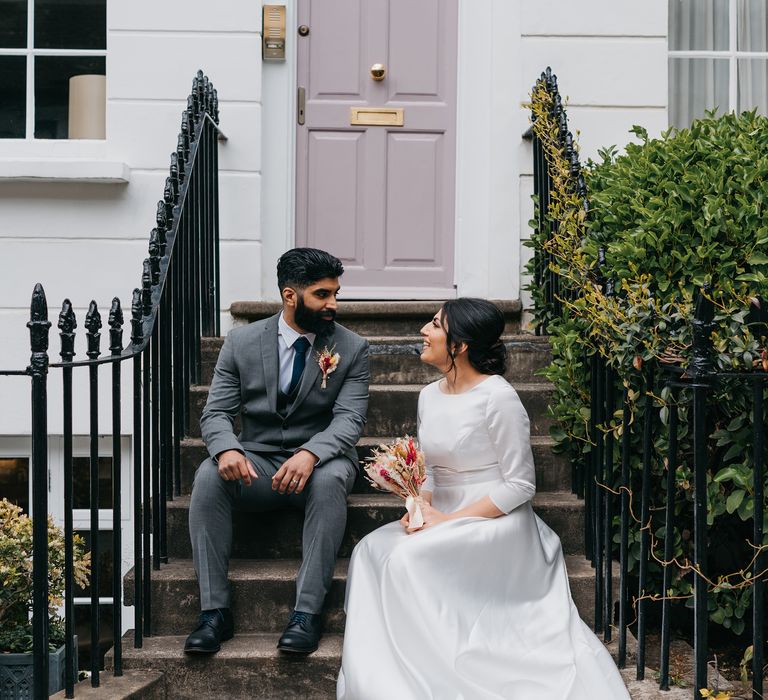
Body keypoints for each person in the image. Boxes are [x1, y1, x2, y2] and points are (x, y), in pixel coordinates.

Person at [337, 298, 629, 699]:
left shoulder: (498, 397)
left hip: (496, 518)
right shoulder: (429, 395)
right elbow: (434, 471)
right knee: (370, 549)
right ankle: (393, 669)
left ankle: (441, 665)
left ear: (459, 345)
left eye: (435, 325)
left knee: (406, 559)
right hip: (442, 509)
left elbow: (521, 485)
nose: (424, 330)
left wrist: (451, 521)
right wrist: (418, 506)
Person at [184, 248, 369, 655]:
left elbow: (349, 420)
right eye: (322, 295)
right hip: (259, 463)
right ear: (290, 296)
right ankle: (214, 613)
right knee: (207, 476)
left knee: (333, 477)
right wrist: (228, 450)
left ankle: (306, 614)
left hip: (318, 466)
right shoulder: (241, 343)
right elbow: (215, 412)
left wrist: (312, 453)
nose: (332, 305)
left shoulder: (351, 348)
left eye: (335, 294)